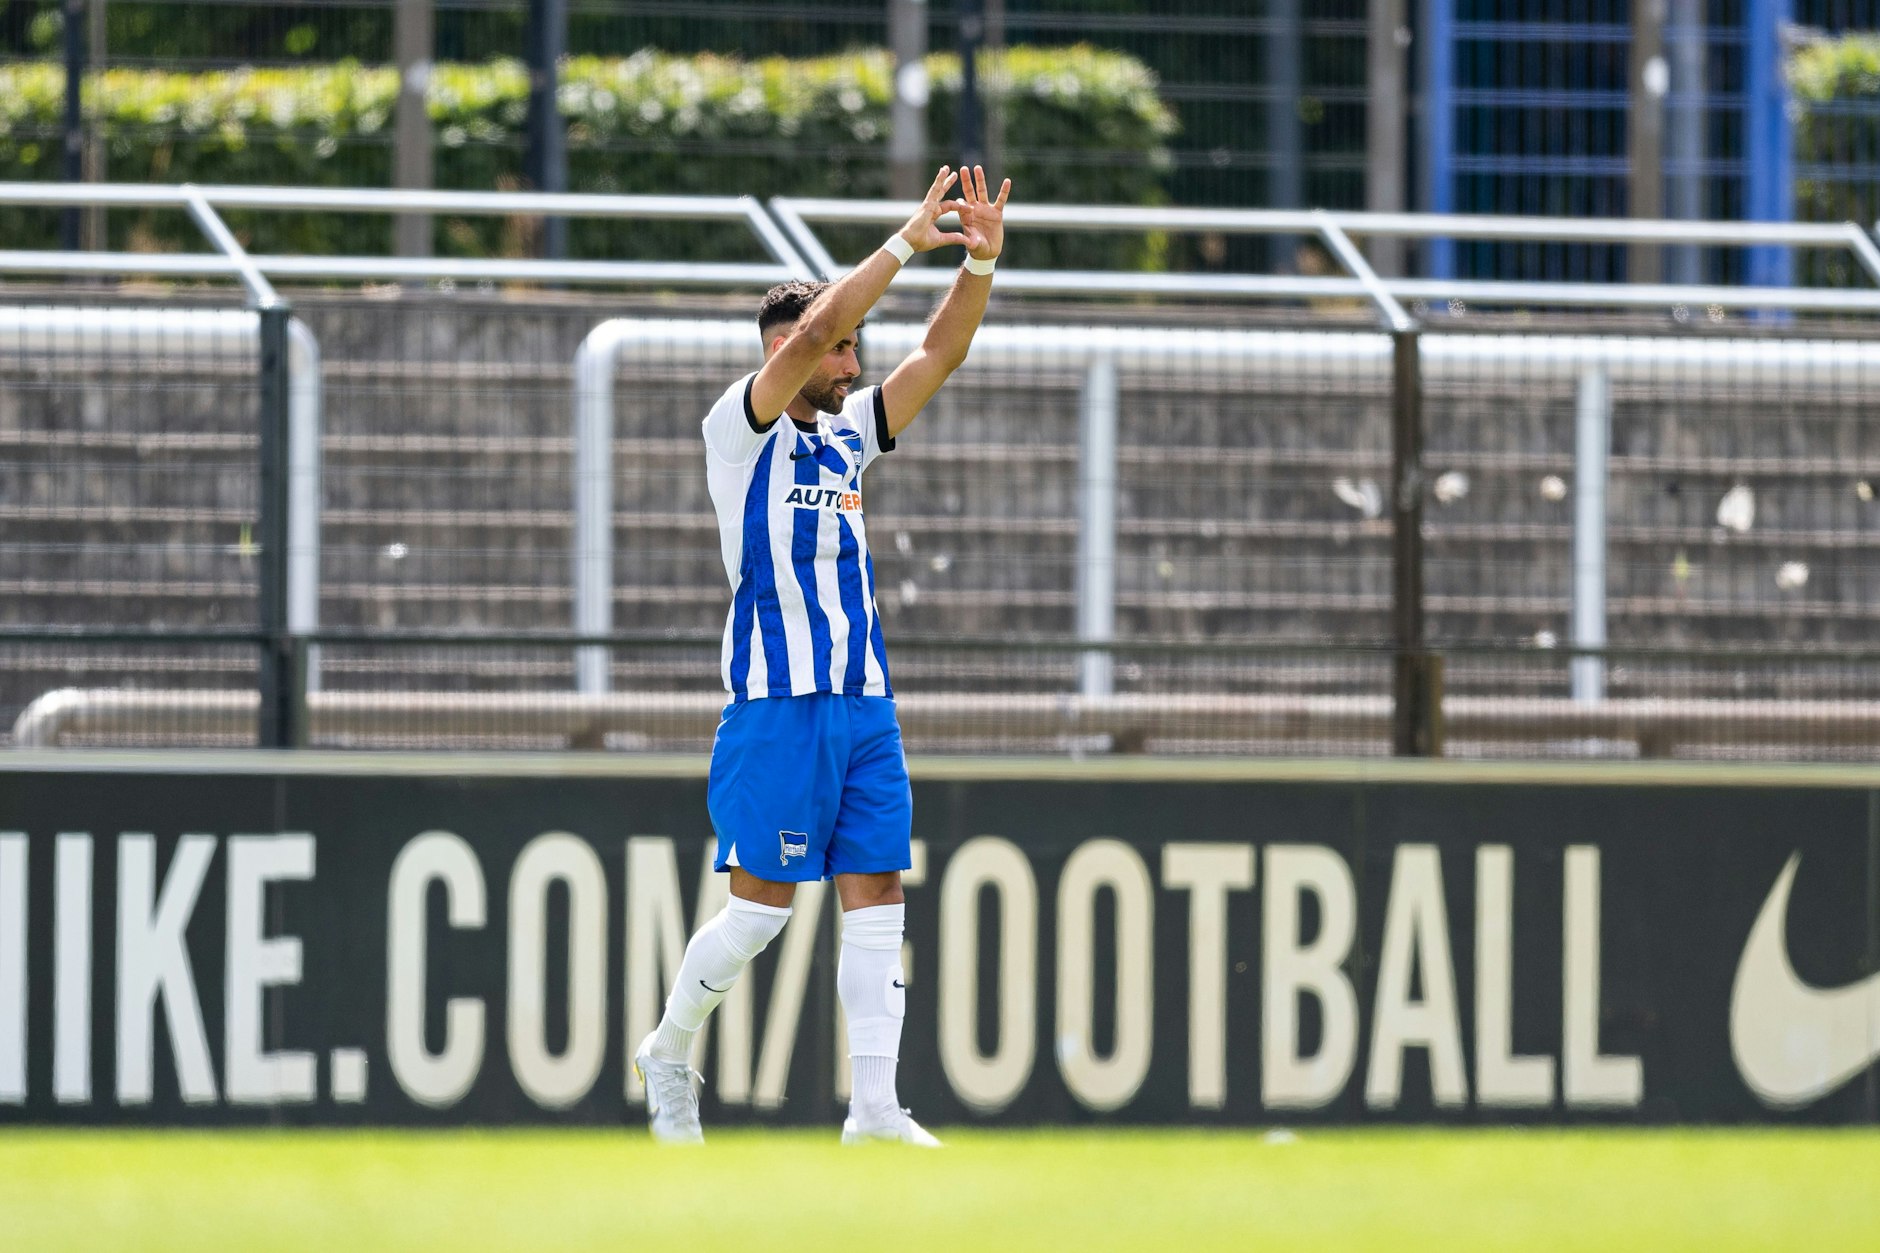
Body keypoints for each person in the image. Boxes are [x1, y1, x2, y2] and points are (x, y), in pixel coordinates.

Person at [634, 164, 1010, 1145]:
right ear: (780, 351)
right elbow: (813, 330)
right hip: (777, 701)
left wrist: (977, 263)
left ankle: (874, 1105)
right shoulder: (738, 430)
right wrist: (906, 240)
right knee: (759, 915)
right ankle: (668, 1048)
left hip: (863, 699)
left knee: (877, 889)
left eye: (847, 348)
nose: (843, 360)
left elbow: (939, 351)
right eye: (833, 344)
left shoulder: (848, 435)